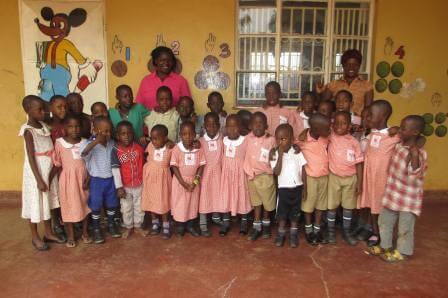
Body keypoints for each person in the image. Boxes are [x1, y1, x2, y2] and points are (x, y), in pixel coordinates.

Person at [369, 115, 428, 262]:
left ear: (414, 132)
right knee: (384, 221)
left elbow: (415, 173)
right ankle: (385, 245)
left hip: (408, 199)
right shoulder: (399, 145)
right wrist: (395, 129)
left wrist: (414, 155)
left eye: (403, 128)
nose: (400, 130)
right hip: (392, 194)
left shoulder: (420, 153)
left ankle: (403, 252)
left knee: (405, 227)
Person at [19, 95, 62, 251]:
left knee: (48, 202)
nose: (44, 112)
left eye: (44, 108)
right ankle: (35, 236)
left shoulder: (43, 125)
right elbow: (30, 157)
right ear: (28, 111)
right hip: (36, 173)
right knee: (35, 203)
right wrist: (38, 179)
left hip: (48, 170)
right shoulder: (28, 131)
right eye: (40, 109)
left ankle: (49, 232)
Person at [358, 100, 400, 247]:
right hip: (370, 178)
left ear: (382, 117)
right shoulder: (372, 134)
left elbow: (418, 139)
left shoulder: (393, 135)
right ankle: (375, 232)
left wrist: (399, 129)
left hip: (383, 180)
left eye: (370, 115)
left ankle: (382, 235)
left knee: (382, 209)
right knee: (372, 207)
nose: (367, 118)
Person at [80, 116, 122, 243]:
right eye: (105, 131)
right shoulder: (89, 143)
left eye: (109, 131)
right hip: (97, 180)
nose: (108, 134)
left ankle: (110, 224)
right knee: (96, 204)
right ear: (96, 130)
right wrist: (95, 142)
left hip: (110, 180)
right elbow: (83, 153)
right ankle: (96, 228)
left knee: (111, 203)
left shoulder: (111, 143)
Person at [52, 115, 91, 247]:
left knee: (85, 205)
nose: (74, 129)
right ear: (65, 128)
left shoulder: (85, 142)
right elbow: (57, 163)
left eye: (77, 126)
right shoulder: (59, 143)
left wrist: (89, 179)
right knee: (68, 206)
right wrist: (48, 180)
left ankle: (85, 232)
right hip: (67, 181)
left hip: (83, 179)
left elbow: (90, 163)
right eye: (70, 126)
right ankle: (70, 235)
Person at [326, 111, 364, 245]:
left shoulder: (354, 142)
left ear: (349, 126)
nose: (339, 126)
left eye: (343, 124)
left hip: (350, 179)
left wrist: (359, 182)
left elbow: (359, 163)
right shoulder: (330, 136)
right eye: (336, 123)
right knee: (332, 207)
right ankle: (330, 231)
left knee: (348, 207)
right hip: (333, 177)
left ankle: (346, 231)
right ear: (332, 124)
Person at [270, 124, 307, 248]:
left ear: (291, 139)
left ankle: (293, 234)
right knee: (282, 214)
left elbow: (303, 169)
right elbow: (276, 172)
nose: (280, 142)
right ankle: (281, 234)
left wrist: (305, 189)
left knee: (295, 214)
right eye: (278, 139)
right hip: (283, 190)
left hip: (297, 188)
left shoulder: (297, 152)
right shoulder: (274, 154)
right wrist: (280, 155)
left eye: (284, 139)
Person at [297, 113, 331, 245]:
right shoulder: (302, 140)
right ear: (316, 129)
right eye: (326, 128)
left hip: (324, 177)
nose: (329, 130)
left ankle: (317, 229)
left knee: (321, 205)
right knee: (308, 205)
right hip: (310, 178)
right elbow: (292, 145)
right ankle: (308, 229)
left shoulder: (326, 137)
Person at [243, 112, 276, 241]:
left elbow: (277, 155)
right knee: (256, 203)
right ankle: (257, 225)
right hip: (252, 176)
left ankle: (266, 224)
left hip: (265, 176)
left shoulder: (271, 139)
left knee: (267, 203)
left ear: (266, 126)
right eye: (255, 123)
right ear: (250, 125)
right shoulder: (247, 139)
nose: (258, 126)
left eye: (261, 123)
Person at [170, 121, 206, 237]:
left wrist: (195, 181)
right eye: (185, 134)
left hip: (193, 182)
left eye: (191, 134)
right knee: (180, 204)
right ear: (180, 135)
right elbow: (174, 166)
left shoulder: (198, 149)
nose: (188, 137)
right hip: (180, 182)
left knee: (192, 204)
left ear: (195, 134)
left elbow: (201, 166)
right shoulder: (177, 149)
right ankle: (180, 226)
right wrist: (183, 183)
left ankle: (190, 225)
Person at [111, 121, 145, 239]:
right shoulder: (115, 150)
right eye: (123, 133)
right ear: (117, 135)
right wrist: (119, 187)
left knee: (139, 207)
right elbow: (115, 170)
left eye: (129, 133)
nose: (126, 136)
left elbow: (144, 163)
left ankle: (138, 226)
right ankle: (128, 227)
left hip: (139, 184)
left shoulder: (139, 147)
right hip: (125, 186)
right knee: (126, 208)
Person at [219, 115, 252, 236]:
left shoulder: (245, 140)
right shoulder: (223, 140)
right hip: (227, 175)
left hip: (240, 175)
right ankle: (226, 221)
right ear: (225, 127)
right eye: (229, 126)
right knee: (226, 195)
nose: (232, 129)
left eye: (235, 126)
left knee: (242, 195)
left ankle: (244, 221)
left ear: (240, 127)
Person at [316, 49, 373, 115]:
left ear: (359, 66)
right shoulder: (333, 85)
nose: (351, 67)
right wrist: (319, 93)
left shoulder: (367, 86)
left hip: (358, 123)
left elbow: (368, 110)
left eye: (355, 64)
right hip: (338, 122)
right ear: (343, 65)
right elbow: (323, 106)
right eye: (348, 64)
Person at [141, 125, 173, 239]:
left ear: (165, 138)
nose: (153, 141)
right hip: (150, 179)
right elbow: (146, 155)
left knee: (163, 201)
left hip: (163, 180)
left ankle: (165, 225)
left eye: (156, 138)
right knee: (151, 200)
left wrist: (172, 143)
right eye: (152, 138)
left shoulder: (170, 148)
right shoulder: (150, 145)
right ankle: (155, 223)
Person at [198, 112, 224, 236]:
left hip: (219, 172)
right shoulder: (200, 141)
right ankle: (203, 222)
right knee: (204, 196)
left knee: (217, 194)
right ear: (204, 126)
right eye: (209, 125)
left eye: (214, 125)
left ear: (219, 125)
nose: (212, 127)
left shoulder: (223, 139)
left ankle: (216, 216)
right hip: (205, 174)